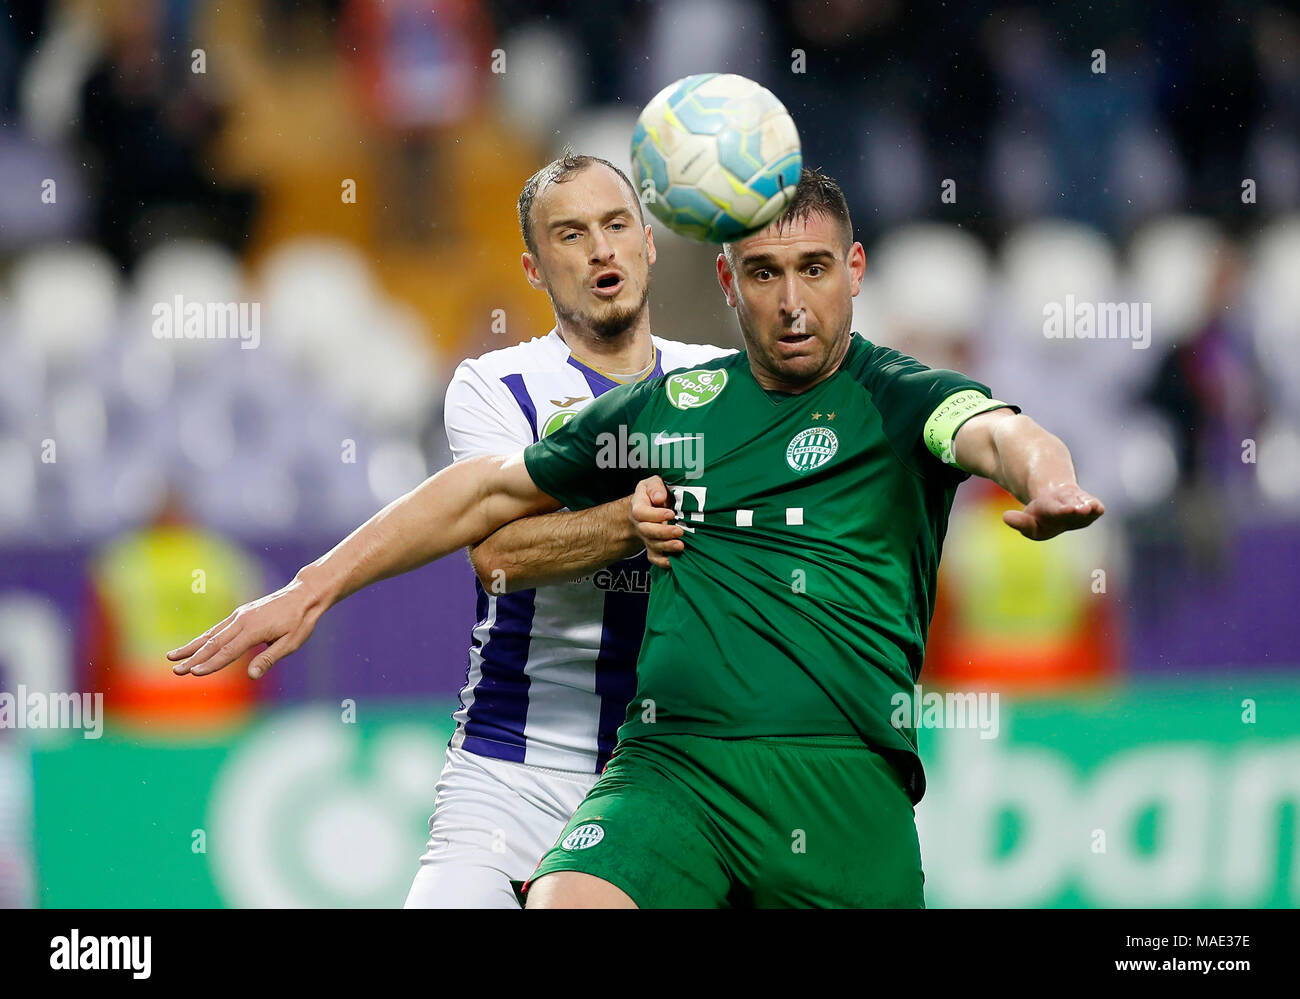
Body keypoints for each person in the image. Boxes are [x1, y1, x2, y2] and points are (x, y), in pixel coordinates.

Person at [169, 168, 1103, 908]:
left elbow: (998, 431)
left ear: (854, 271)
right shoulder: (647, 402)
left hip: (833, 775)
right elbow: (487, 512)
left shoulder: (885, 392)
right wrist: (311, 587)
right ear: (729, 281)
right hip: (626, 764)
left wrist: (1049, 478)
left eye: (813, 270)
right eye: (765, 274)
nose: (791, 303)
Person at [169, 151, 731, 908]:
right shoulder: (498, 384)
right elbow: (498, 555)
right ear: (534, 269)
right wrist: (632, 521)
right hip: (513, 767)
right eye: (570, 235)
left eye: (615, 225)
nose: (600, 249)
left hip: (674, 769)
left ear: (649, 244)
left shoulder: (724, 385)